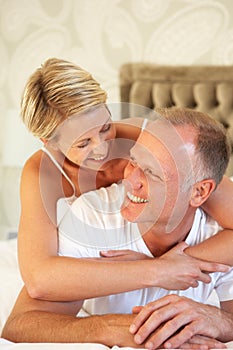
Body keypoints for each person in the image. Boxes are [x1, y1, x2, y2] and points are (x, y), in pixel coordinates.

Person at [2, 108, 233, 349]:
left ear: (199, 192)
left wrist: (219, 320)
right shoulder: (91, 218)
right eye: (133, 161)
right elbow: (20, 325)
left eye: (152, 173)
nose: (129, 181)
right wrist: (114, 328)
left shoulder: (219, 233)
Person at [17, 57, 233, 304]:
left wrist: (172, 263)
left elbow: (204, 188)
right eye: (83, 143)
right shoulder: (43, 174)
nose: (103, 148)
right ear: (50, 143)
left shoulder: (146, 138)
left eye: (105, 127)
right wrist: (155, 271)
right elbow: (39, 278)